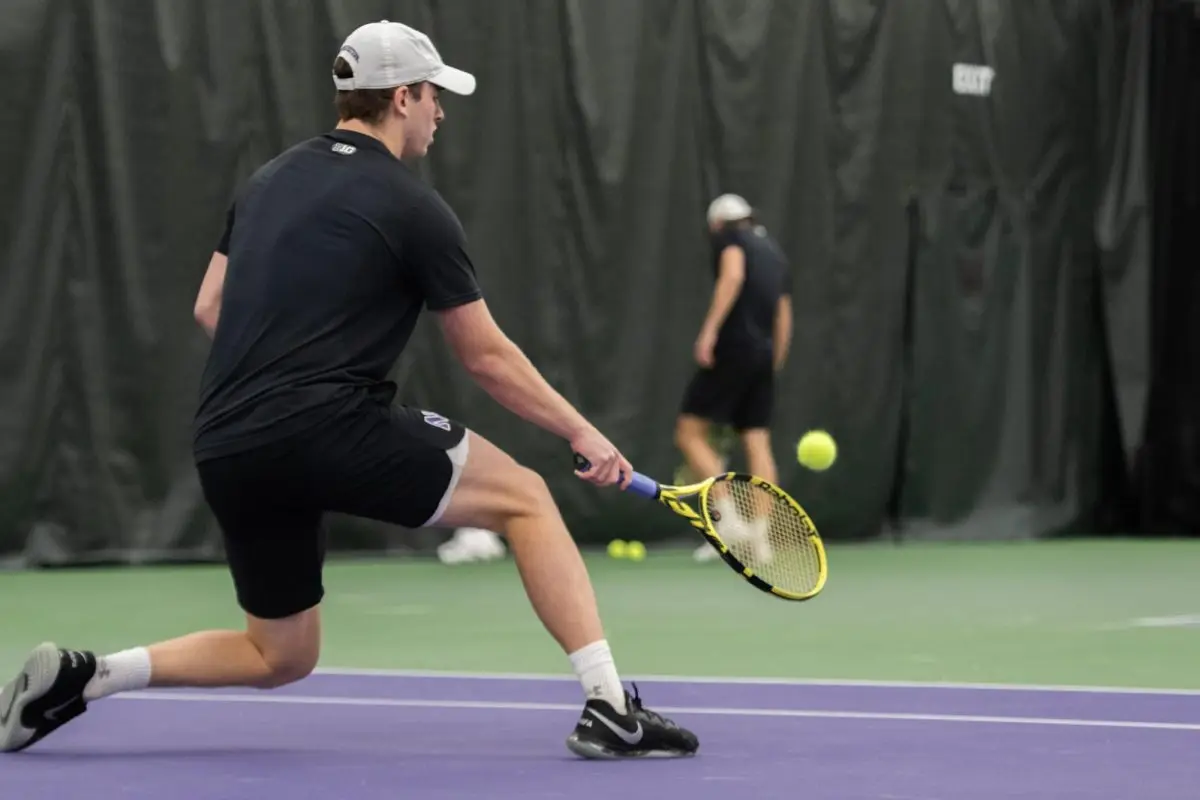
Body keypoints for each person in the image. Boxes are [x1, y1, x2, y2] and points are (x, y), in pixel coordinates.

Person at [0, 20, 698, 761]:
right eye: (433, 97)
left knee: (281, 655)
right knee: (526, 498)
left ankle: (89, 679)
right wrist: (581, 432)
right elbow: (486, 357)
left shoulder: (267, 180)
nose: (440, 112)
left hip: (228, 443)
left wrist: (279, 370)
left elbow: (211, 307)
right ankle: (610, 705)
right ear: (402, 98)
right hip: (326, 425)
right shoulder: (413, 205)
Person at [675, 195, 793, 560]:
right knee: (757, 440)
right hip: (763, 357)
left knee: (689, 432)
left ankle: (728, 522)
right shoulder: (774, 253)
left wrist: (709, 332)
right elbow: (784, 314)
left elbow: (733, 276)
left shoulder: (730, 240)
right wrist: (773, 361)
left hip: (733, 349)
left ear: (718, 225)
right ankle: (760, 542)